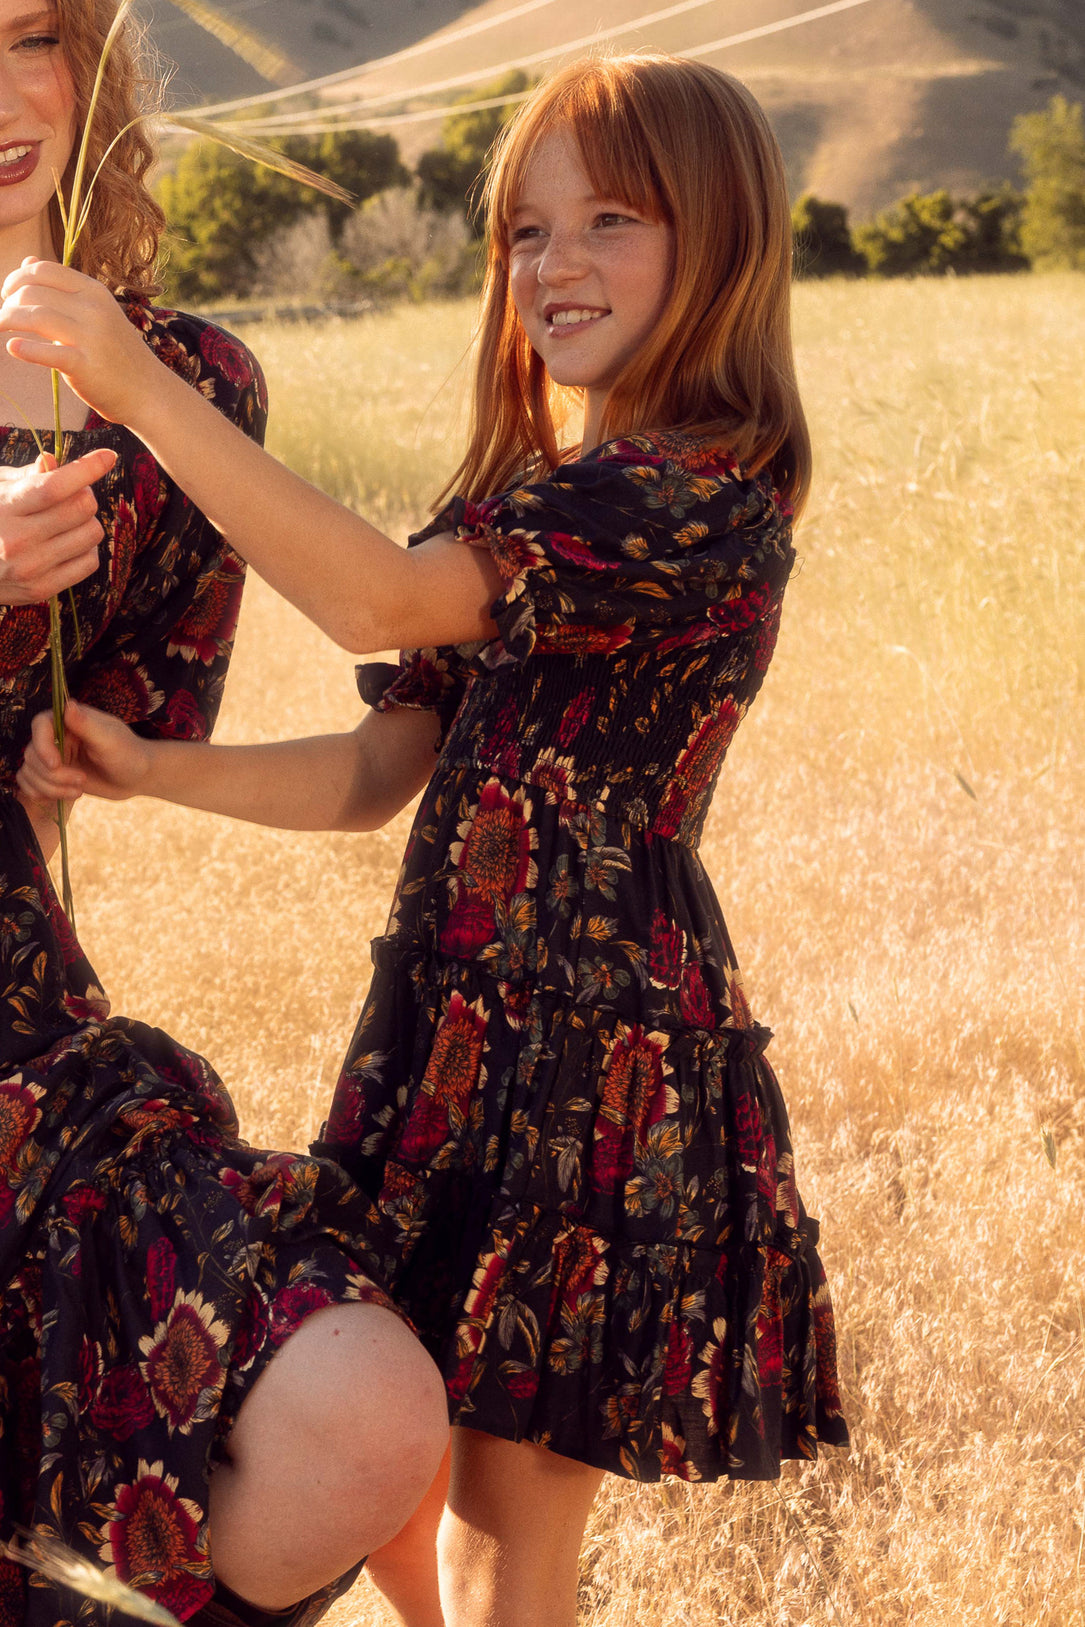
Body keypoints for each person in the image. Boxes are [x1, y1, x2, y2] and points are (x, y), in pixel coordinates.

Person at [10, 50, 850, 1627]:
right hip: (455, 1039)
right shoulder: (548, 500)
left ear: (724, 240)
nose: (556, 264)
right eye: (526, 232)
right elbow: (373, 770)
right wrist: (150, 767)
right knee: (403, 1491)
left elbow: (372, 601)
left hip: (591, 1061)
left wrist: (137, 388)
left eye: (611, 221)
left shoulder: (687, 503)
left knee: (498, 1535)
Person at [0, 6, 448, 1627]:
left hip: (21, 1043)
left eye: (27, 37)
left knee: (361, 1412)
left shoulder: (185, 383)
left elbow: (71, 772)